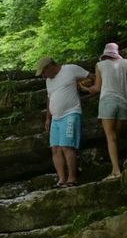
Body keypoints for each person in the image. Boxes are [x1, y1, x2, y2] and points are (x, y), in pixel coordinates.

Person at [80, 43, 127, 180]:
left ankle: (116, 171)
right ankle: (115, 168)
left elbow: (97, 88)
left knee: (110, 137)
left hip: (108, 101)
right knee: (116, 137)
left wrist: (85, 89)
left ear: (105, 53)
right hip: (123, 103)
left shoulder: (100, 65)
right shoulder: (124, 62)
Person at [37, 57, 90, 188]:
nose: (43, 76)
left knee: (67, 146)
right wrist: (48, 118)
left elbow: (91, 76)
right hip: (55, 117)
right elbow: (50, 98)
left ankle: (72, 178)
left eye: (43, 72)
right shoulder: (48, 81)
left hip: (71, 113)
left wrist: (85, 85)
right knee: (55, 149)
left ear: (50, 67)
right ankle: (61, 179)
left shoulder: (70, 69)